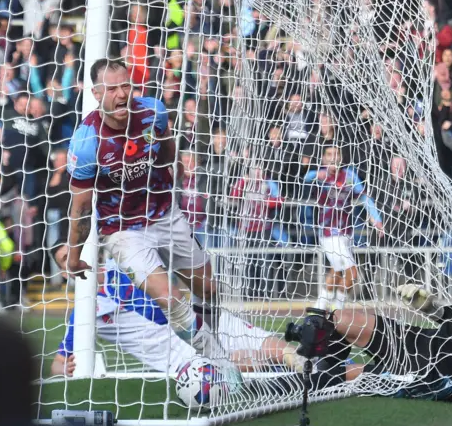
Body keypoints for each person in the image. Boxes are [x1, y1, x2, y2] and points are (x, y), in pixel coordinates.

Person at [66, 59, 222, 359]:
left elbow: (166, 147)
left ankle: (212, 342)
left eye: (126, 85)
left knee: (210, 290)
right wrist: (74, 256)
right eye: (113, 89)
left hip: (164, 212)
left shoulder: (153, 111)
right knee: (170, 299)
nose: (122, 94)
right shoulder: (87, 142)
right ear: (97, 93)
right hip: (122, 229)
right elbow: (82, 208)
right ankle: (216, 362)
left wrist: (172, 174)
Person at [306, 207, 452, 401]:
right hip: (429, 344)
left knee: (344, 374)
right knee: (341, 318)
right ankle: (318, 371)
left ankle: (312, 381)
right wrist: (429, 307)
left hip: (446, 374)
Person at [49, 238, 307, 377]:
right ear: (63, 272)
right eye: (64, 259)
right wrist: (67, 368)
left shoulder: (124, 263)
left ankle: (310, 365)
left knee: (276, 347)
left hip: (198, 319)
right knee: (232, 363)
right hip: (178, 354)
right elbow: (57, 364)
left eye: (76, 250)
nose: (73, 258)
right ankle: (296, 370)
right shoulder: (84, 313)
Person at [304, 145, 383, 312]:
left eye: (336, 154)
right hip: (329, 234)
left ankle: (321, 306)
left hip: (346, 232)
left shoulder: (349, 176)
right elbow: (305, 179)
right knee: (352, 273)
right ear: (324, 159)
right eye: (329, 154)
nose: (333, 157)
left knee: (336, 271)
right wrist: (316, 175)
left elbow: (365, 198)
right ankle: (337, 309)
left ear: (341, 157)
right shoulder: (320, 176)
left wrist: (376, 219)